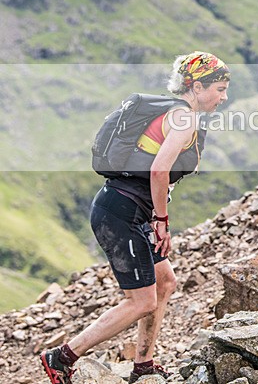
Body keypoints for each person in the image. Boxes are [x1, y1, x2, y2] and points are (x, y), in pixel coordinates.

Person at [40, 52, 230, 384]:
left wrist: (154, 217)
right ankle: (61, 357)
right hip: (121, 213)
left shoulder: (176, 113)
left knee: (165, 282)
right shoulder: (184, 118)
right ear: (198, 87)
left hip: (128, 209)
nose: (224, 97)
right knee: (142, 301)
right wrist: (162, 221)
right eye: (220, 89)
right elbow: (159, 171)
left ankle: (144, 364)